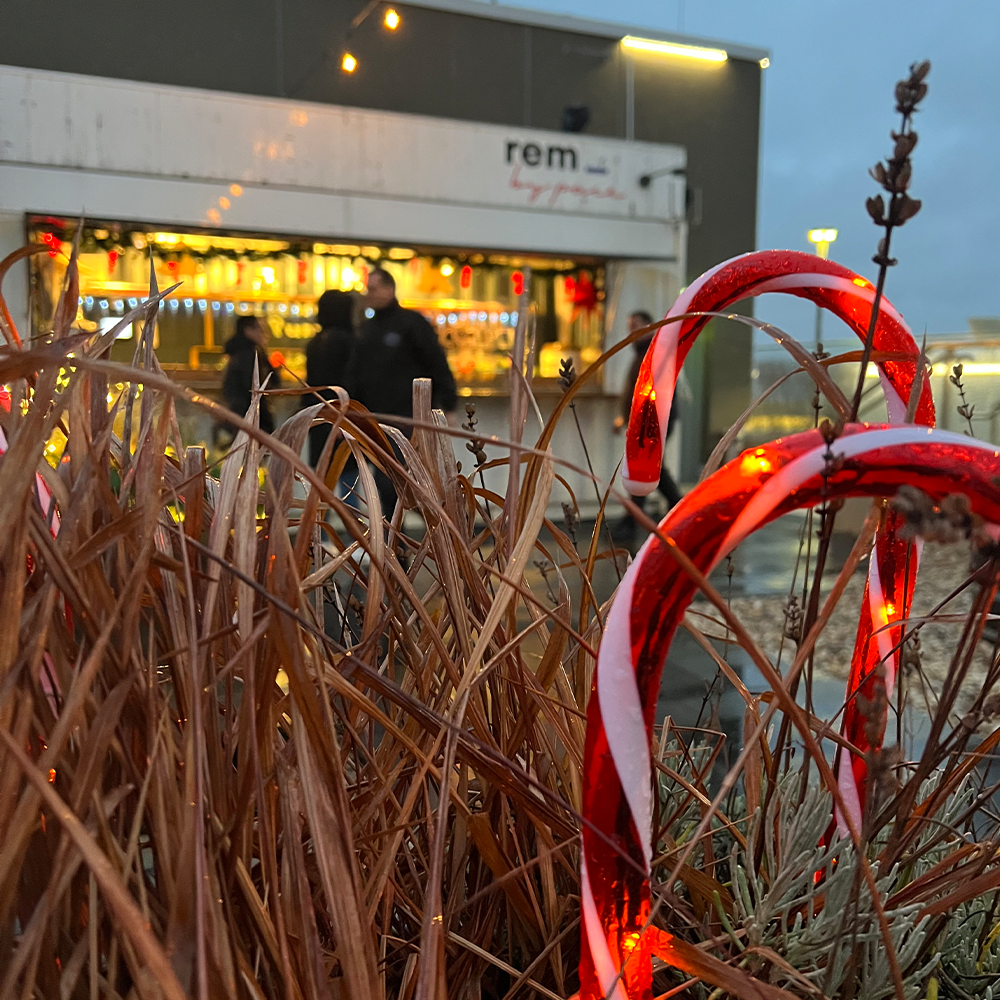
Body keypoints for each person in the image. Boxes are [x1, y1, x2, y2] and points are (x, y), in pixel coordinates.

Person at [348, 267, 457, 514]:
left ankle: (444, 529)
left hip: (406, 418)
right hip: (375, 418)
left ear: (390, 289)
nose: (369, 294)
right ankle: (395, 543)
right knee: (385, 482)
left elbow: (436, 363)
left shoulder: (411, 324)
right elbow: (357, 372)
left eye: (374, 289)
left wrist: (447, 403)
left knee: (398, 482)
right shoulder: (367, 329)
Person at [613, 309, 682, 543]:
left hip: (653, 421)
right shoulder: (644, 352)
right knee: (651, 469)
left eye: (636, 325)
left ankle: (638, 518)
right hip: (647, 422)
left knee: (649, 469)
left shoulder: (653, 352)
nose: (631, 330)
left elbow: (652, 390)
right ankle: (673, 509)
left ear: (648, 326)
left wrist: (646, 422)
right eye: (630, 326)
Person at [304, 289, 356, 468]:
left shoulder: (316, 342)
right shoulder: (349, 341)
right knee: (348, 479)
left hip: (319, 415)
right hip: (343, 417)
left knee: (321, 479)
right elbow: (351, 382)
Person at [220, 315, 279, 437]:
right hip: (251, 418)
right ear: (248, 330)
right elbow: (253, 386)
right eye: (259, 329)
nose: (263, 333)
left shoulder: (237, 352)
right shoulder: (250, 354)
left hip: (238, 416)